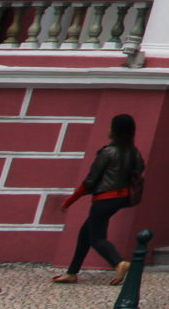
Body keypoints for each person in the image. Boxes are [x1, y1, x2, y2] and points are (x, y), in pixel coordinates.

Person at [55, 113, 144, 285]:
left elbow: (90, 181)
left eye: (111, 126)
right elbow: (138, 171)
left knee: (97, 238)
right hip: (121, 198)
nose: (108, 129)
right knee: (85, 233)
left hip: (104, 199)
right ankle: (72, 272)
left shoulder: (108, 152)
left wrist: (69, 201)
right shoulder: (134, 153)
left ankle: (118, 263)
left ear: (115, 131)